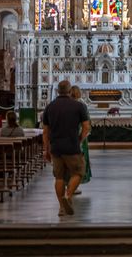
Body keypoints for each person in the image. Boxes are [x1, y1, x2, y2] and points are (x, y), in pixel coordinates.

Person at [43, 78, 90, 216]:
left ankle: (61, 207)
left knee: (59, 177)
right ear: (70, 91)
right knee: (79, 172)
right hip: (72, 146)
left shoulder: (50, 107)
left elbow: (45, 131)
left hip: (56, 148)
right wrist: (79, 140)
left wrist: (47, 149)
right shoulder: (78, 106)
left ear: (58, 91)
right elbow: (86, 127)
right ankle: (68, 195)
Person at [69, 86, 91, 189]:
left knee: (68, 162)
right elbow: (87, 123)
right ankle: (74, 187)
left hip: (68, 136)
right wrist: (81, 138)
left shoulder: (67, 104)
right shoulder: (82, 105)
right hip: (80, 136)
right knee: (79, 163)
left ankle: (68, 185)